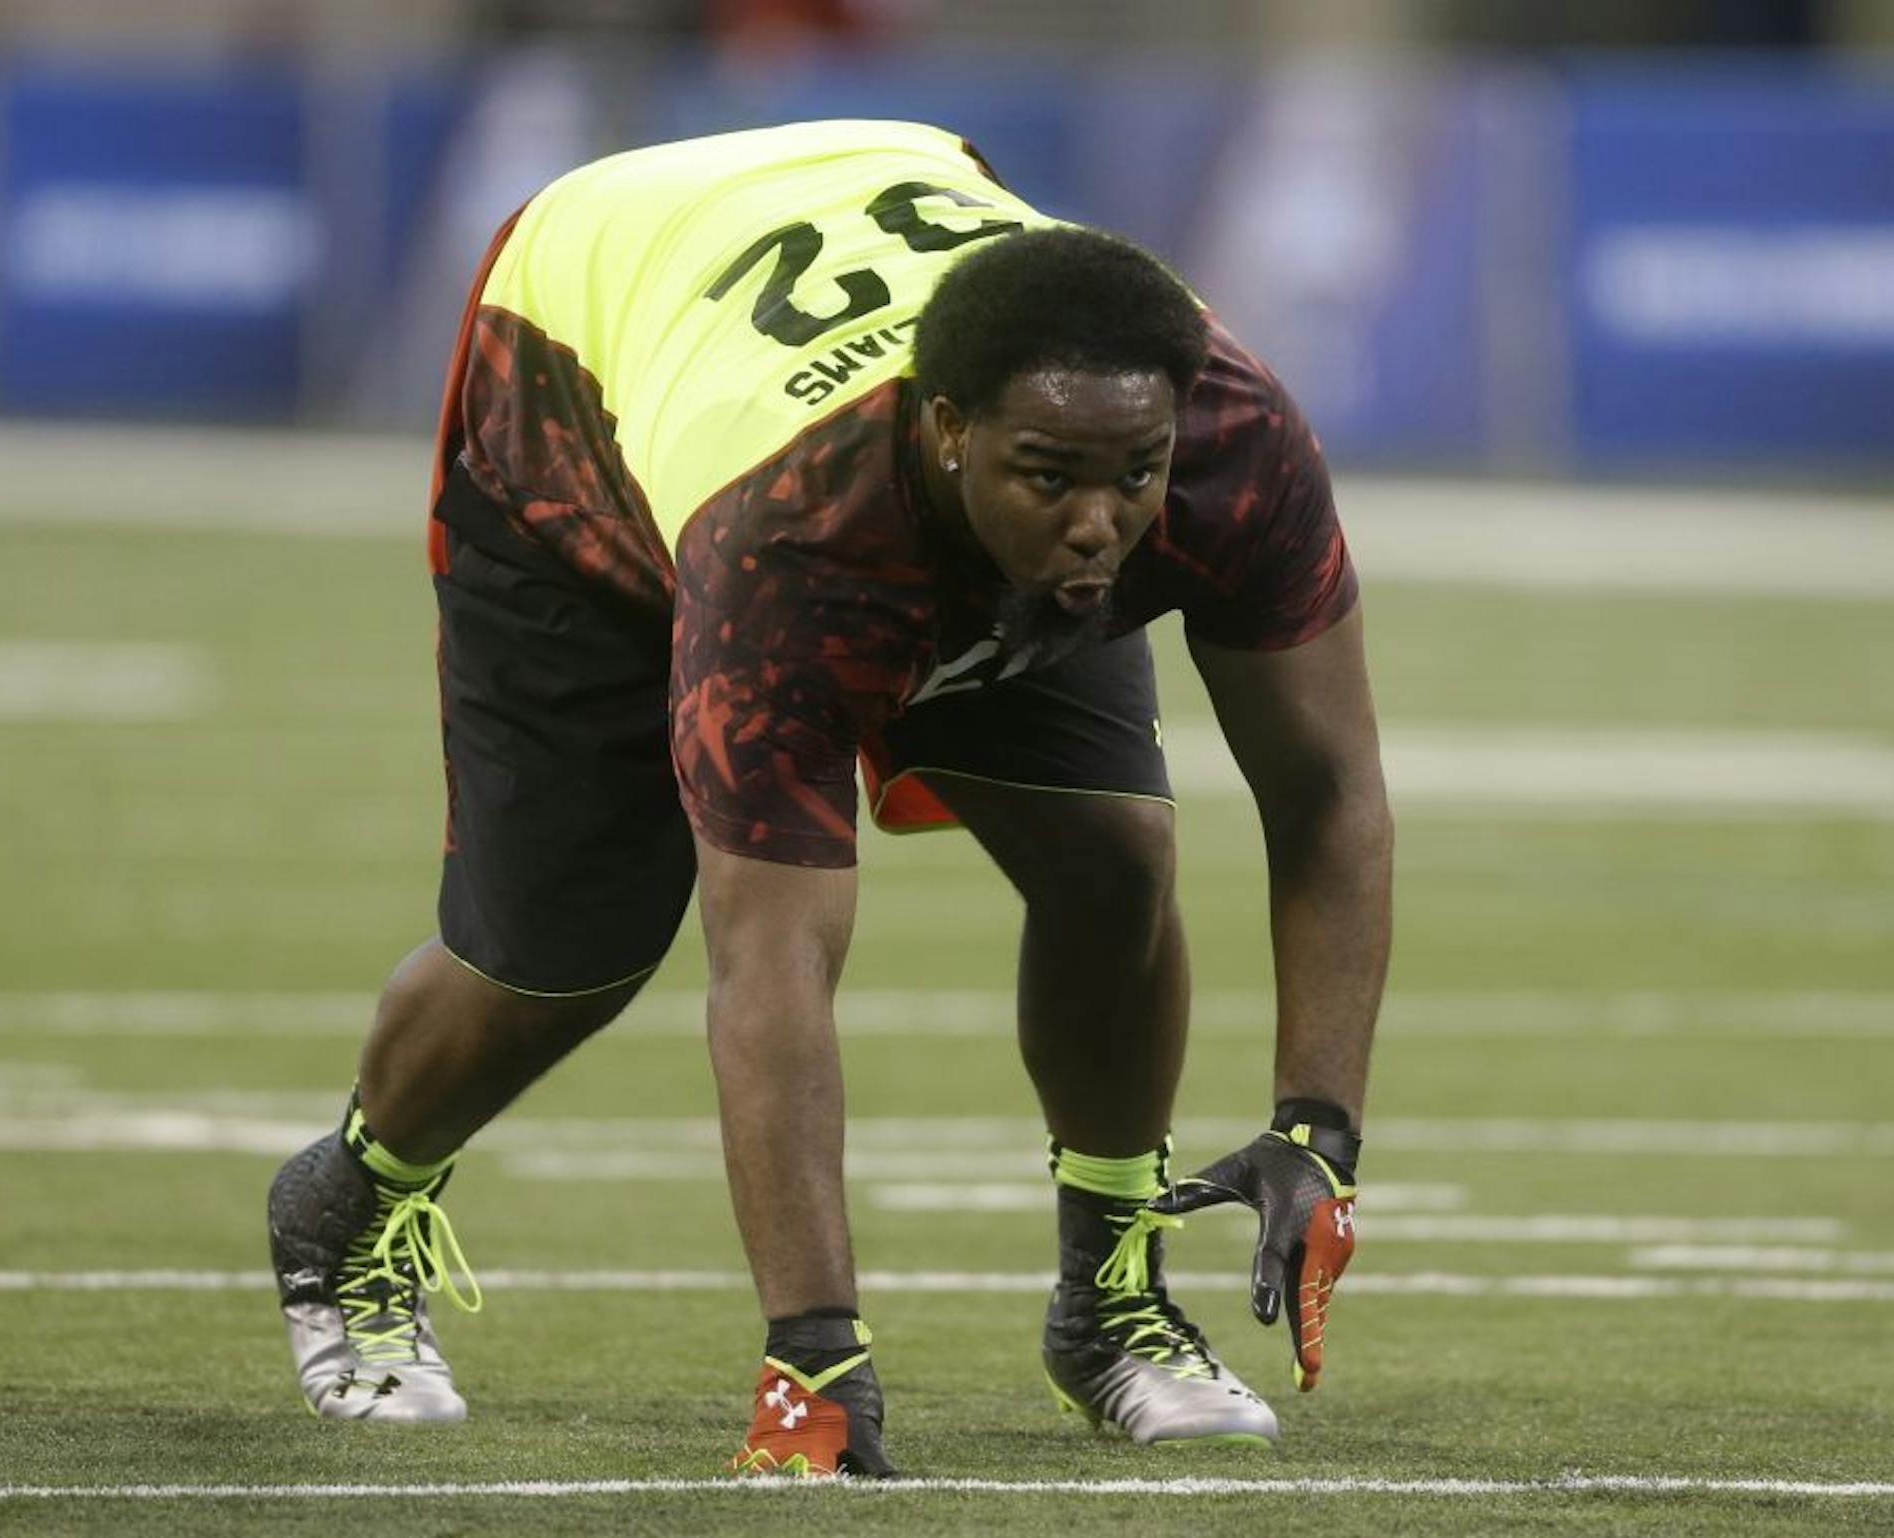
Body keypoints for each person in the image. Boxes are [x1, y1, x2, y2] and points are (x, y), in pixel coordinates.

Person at [266, 119, 1391, 1476]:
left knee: (1114, 859)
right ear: (948, 430)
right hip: (585, 351)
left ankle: (1111, 1300)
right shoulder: (789, 534)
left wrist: (1318, 1128)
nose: (1101, 522)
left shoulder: (1230, 438)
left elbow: (1327, 791)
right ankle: (347, 1202)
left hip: (876, 223)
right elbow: (773, 958)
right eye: (1053, 477)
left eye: (1134, 476)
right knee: (569, 945)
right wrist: (814, 1346)